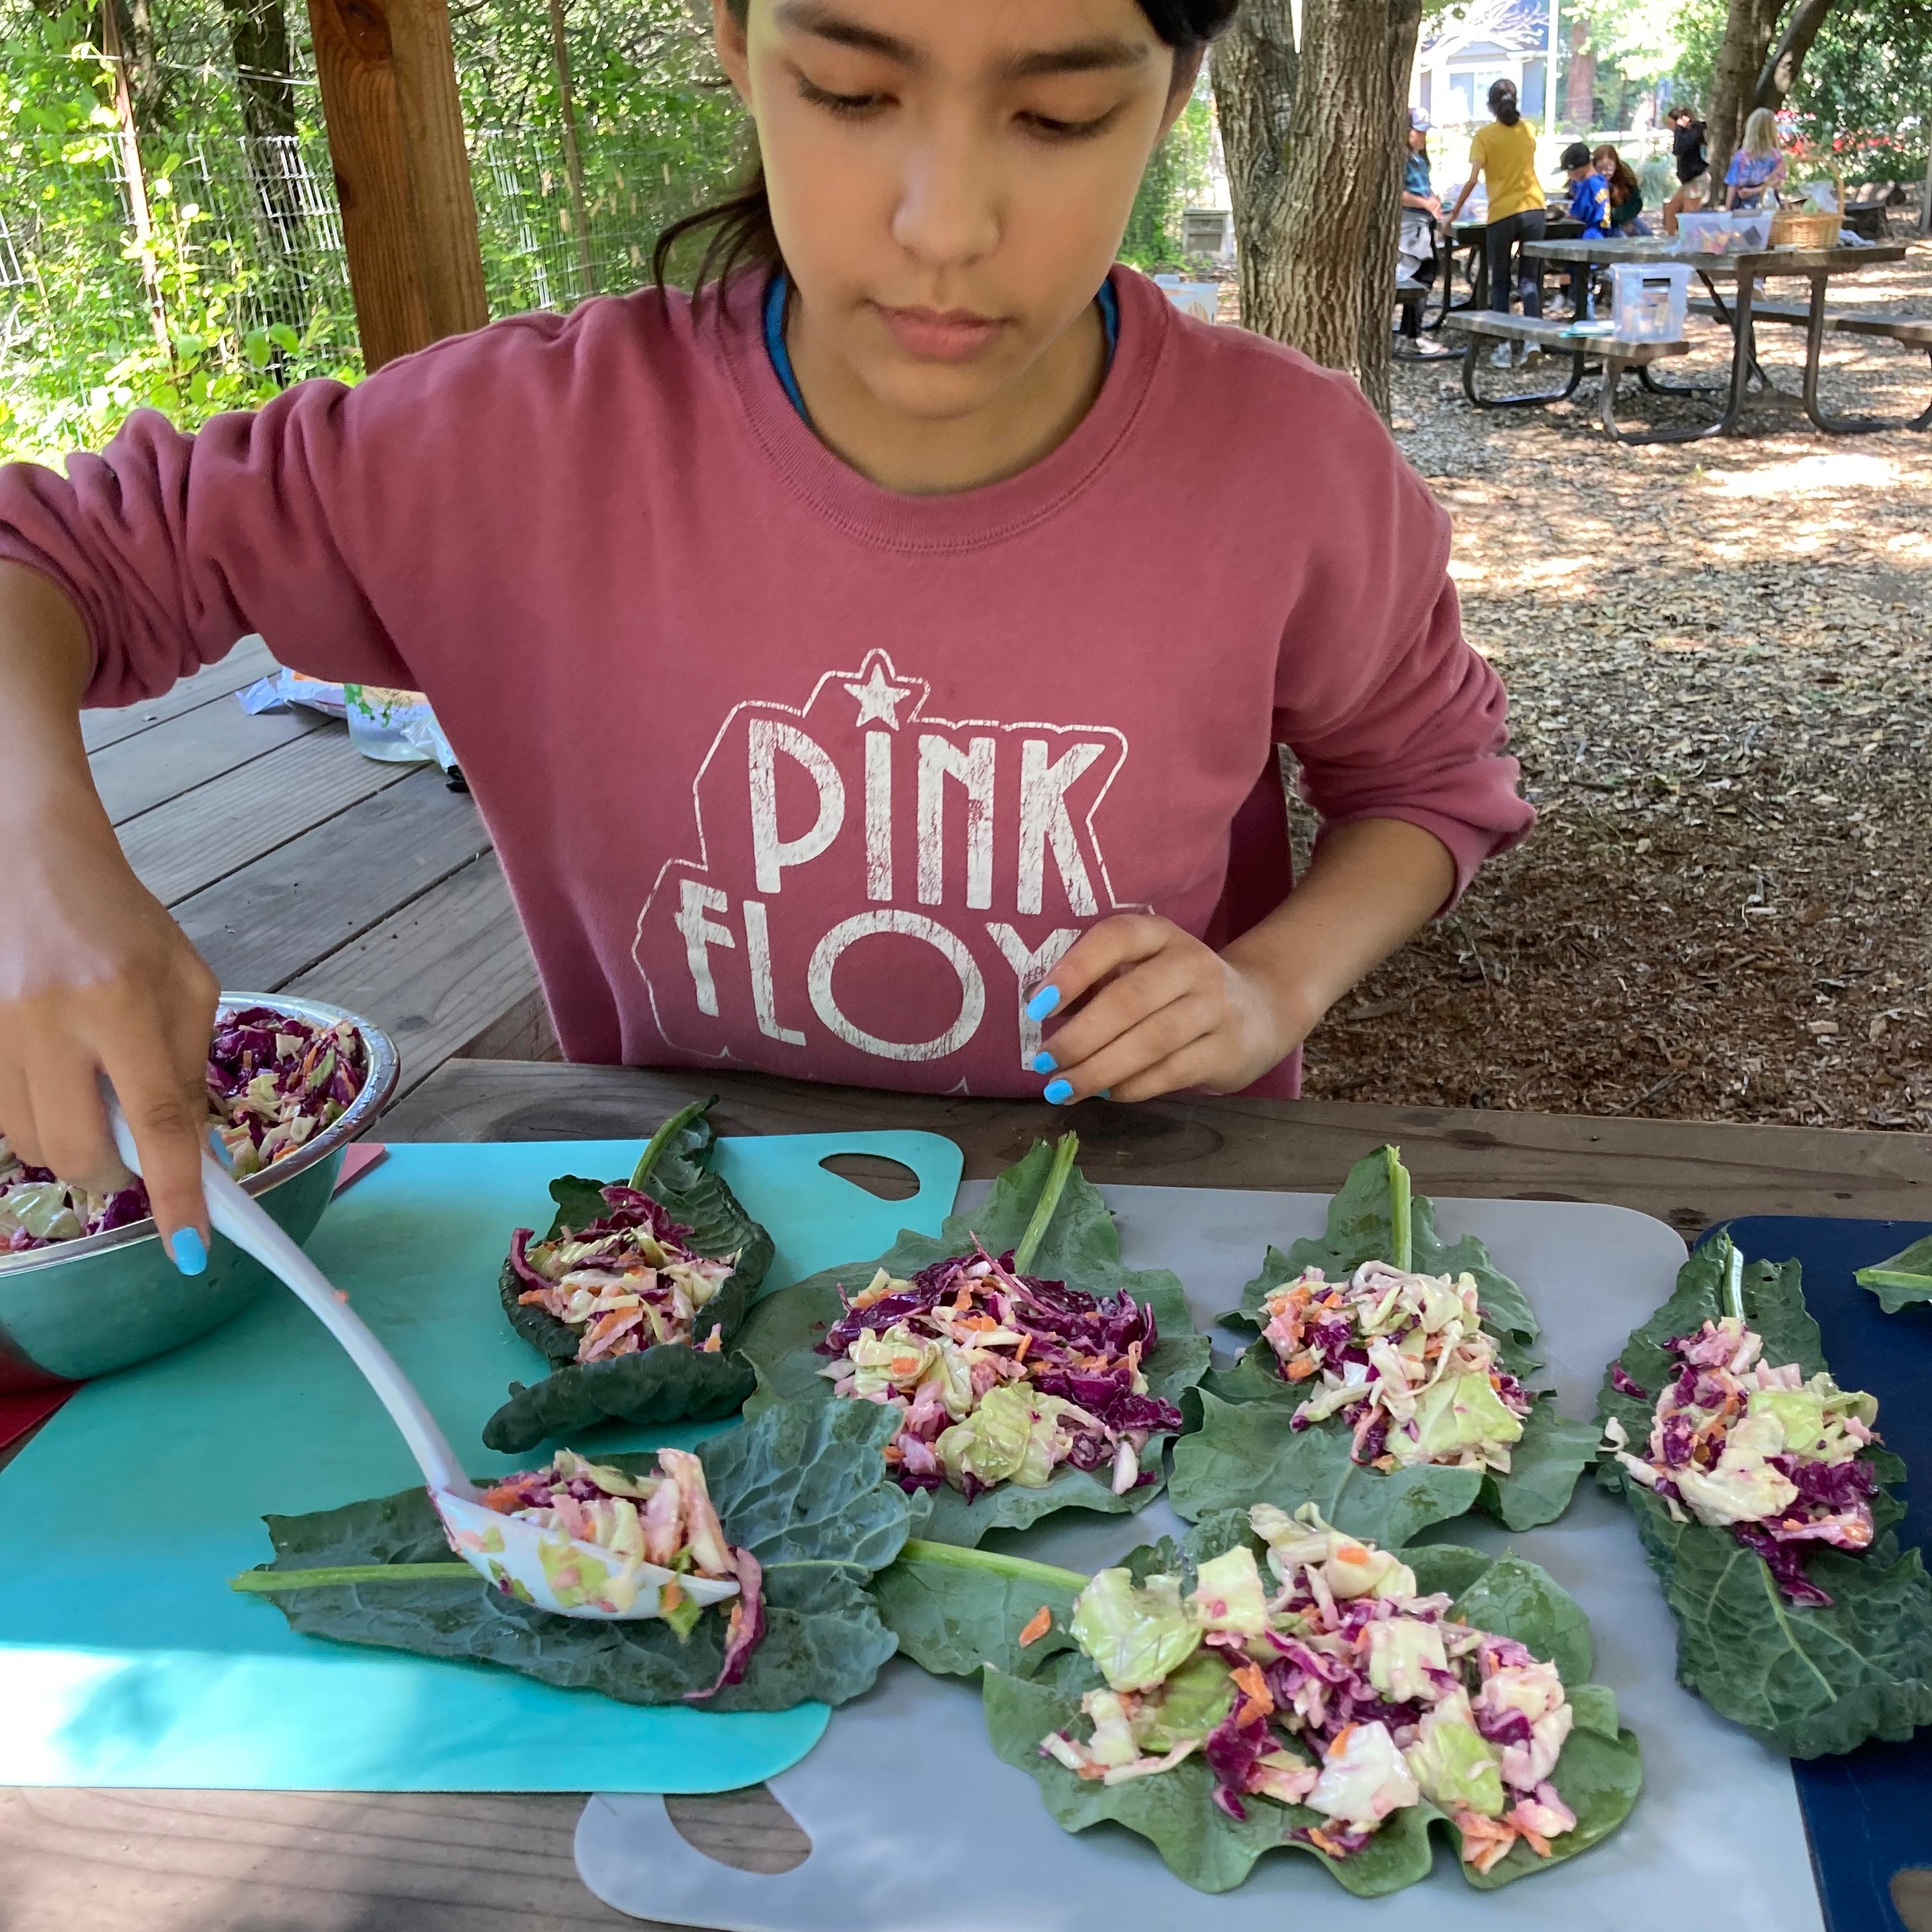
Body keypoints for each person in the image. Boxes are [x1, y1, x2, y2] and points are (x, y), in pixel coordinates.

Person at [0, 0, 1532, 1272]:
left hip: (1154, 1259)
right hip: (669, 1285)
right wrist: (33, 862)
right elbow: (46, 556)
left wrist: (1274, 986)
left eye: (1059, 118)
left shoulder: (1288, 466)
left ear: (1178, 86)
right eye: (852, 91)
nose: (946, 225)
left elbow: (1430, 785)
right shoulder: (512, 453)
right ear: (733, 41)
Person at [1443, 77, 1545, 369]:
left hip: (1503, 212)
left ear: (1490, 106)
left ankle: (1502, 347)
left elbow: (1474, 179)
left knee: (1500, 279)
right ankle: (1532, 342)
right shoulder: (1528, 130)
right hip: (1535, 209)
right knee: (1530, 279)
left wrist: (1453, 215)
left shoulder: (1485, 136)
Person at [1397, 109, 1442, 344]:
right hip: (1410, 224)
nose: (1424, 137)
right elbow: (1399, 195)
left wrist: (1433, 200)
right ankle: (1413, 335)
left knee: (1424, 273)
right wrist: (1425, 203)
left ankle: (1409, 332)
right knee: (1420, 274)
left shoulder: (1420, 159)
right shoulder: (1401, 160)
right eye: (1419, 131)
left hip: (1424, 221)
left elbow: (1425, 188)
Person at [1552, 141, 1611, 320]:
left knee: (1582, 286)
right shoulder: (1600, 181)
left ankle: (1587, 321)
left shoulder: (1588, 185)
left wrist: (1559, 214)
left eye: (1570, 171)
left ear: (1580, 167)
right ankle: (1582, 317)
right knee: (1585, 284)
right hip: (1600, 238)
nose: (1569, 175)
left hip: (1588, 240)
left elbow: (1577, 215)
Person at [1725, 106, 1789, 211]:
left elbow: (1733, 185)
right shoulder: (1776, 156)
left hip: (1743, 208)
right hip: (1769, 207)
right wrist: (1760, 190)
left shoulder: (1741, 157)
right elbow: (1778, 183)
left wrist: (1727, 211)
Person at [1662, 104, 1708, 236]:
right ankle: (1670, 239)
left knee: (1689, 215)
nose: (1670, 128)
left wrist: (1679, 130)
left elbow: (1679, 149)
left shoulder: (1696, 131)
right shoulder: (1683, 134)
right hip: (1688, 181)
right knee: (1671, 210)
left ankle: (1689, 243)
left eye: (1671, 124)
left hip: (1697, 180)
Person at [1593, 143, 1648, 235]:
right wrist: (1619, 220)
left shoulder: (1626, 176)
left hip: (1627, 215)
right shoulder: (1592, 180)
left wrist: (1625, 218)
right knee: (1622, 236)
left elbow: (1637, 203)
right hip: (1605, 222)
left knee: (1646, 234)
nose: (1604, 172)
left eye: (1609, 168)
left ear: (1616, 165)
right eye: (1600, 168)